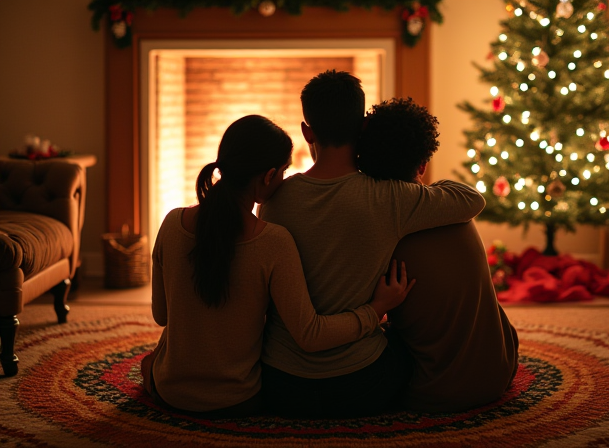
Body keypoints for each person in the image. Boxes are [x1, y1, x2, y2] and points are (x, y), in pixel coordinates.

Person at [141, 115, 415, 418]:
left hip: (171, 393)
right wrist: (376, 309)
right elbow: (310, 334)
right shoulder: (271, 241)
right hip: (237, 400)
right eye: (285, 171)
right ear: (269, 176)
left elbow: (161, 314)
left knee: (149, 362)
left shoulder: (171, 223)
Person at [259, 71, 486, 417]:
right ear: (363, 126)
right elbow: (471, 200)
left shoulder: (275, 201)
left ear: (307, 131)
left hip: (282, 386)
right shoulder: (391, 197)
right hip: (362, 385)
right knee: (404, 344)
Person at [357, 97, 519, 413]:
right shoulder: (452, 204)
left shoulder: (380, 229)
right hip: (500, 372)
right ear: (423, 164)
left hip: (431, 392)